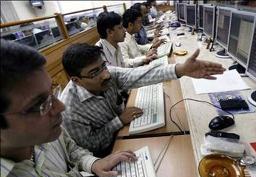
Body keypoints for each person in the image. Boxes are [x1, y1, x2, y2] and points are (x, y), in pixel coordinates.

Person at [0, 40, 137, 177]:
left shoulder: (47, 131)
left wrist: (92, 163)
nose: (60, 107)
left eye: (52, 92)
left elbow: (70, 147)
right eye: (39, 104)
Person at [60, 42, 225, 158]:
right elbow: (91, 145)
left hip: (126, 131)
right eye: (95, 72)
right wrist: (118, 121)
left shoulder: (106, 73)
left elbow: (138, 75)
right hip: (110, 153)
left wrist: (180, 69)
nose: (106, 74)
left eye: (103, 66)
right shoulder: (69, 110)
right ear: (76, 80)